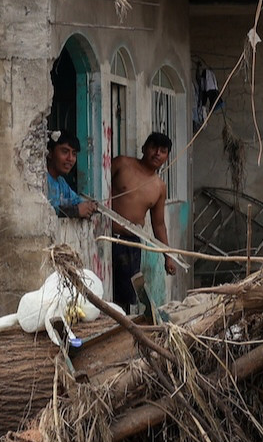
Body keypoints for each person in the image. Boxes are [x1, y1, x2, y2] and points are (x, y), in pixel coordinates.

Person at [109, 132, 177, 313]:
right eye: (153, 147)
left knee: (125, 295)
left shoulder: (159, 187)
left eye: (163, 151)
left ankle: (121, 329)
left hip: (130, 244)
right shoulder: (122, 164)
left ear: (167, 156)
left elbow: (159, 224)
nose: (157, 153)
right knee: (104, 290)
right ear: (144, 149)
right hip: (106, 238)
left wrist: (167, 256)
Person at [45, 131, 97, 219]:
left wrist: (89, 206)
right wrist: (76, 211)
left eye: (74, 154)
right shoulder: (41, 180)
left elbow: (76, 201)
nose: (70, 159)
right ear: (50, 153)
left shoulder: (61, 182)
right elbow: (44, 212)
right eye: (65, 152)